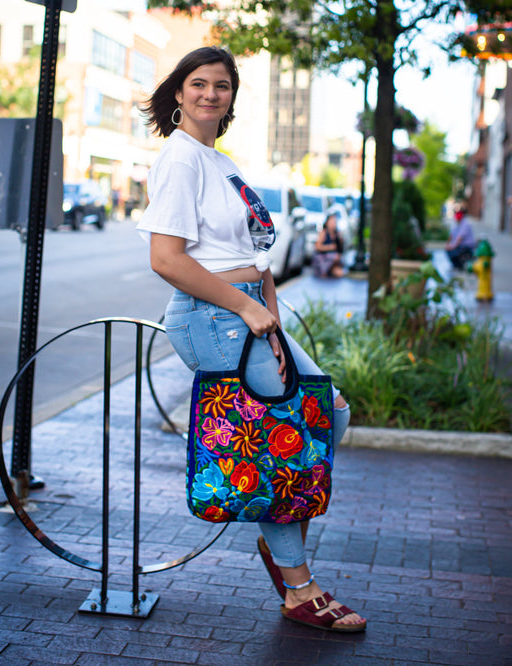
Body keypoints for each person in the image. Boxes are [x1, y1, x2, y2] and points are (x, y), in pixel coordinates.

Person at [136, 46, 366, 632]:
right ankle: (298, 586)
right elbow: (166, 258)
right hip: (211, 316)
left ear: (232, 96)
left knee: (330, 413)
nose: (210, 94)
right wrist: (244, 305)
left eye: (221, 85)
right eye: (198, 84)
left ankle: (278, 543)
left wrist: (267, 306)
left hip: (248, 315)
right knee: (284, 441)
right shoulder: (181, 158)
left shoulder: (220, 160)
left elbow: (253, 251)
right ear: (178, 93)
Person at [312, 213, 345, 278]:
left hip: (334, 259)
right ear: (327, 222)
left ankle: (331, 270)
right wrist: (330, 247)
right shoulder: (323, 233)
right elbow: (317, 247)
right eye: (331, 221)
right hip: (323, 257)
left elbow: (340, 249)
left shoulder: (336, 234)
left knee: (340, 273)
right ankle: (325, 271)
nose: (333, 223)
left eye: (334, 221)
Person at [445, 205, 476, 269]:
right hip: (460, 245)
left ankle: (459, 266)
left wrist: (452, 246)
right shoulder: (457, 223)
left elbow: (460, 238)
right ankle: (456, 266)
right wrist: (448, 244)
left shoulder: (465, 224)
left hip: (467, 246)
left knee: (453, 252)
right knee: (449, 250)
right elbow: (451, 234)